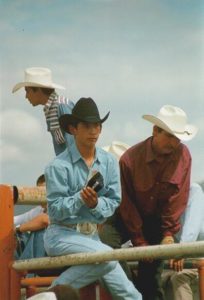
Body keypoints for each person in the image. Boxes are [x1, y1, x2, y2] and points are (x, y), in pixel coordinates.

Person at [44, 97, 142, 300]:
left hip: (92, 238)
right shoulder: (56, 166)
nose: (93, 131)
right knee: (107, 258)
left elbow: (114, 201)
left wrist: (96, 203)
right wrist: (81, 199)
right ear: (73, 129)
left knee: (130, 293)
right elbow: (53, 210)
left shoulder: (109, 162)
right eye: (87, 126)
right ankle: (51, 294)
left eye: (97, 125)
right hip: (61, 235)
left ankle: (50, 295)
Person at [117, 105, 198, 300]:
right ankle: (130, 289)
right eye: (170, 136)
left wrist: (169, 233)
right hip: (126, 216)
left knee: (152, 276)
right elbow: (126, 203)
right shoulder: (129, 160)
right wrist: (138, 240)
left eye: (177, 138)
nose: (174, 142)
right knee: (104, 245)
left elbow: (178, 197)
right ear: (155, 131)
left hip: (157, 220)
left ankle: (140, 291)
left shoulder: (183, 154)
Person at [12, 67, 74, 155]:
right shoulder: (50, 109)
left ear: (38, 90)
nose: (26, 96)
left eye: (27, 91)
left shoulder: (62, 105)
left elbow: (75, 142)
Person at [162, 182, 204, 300]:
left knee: (179, 277)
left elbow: (192, 228)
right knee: (152, 278)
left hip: (196, 254)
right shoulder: (163, 196)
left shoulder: (193, 191)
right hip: (178, 255)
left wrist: (181, 251)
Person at [14, 174, 49, 260]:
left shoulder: (60, 206)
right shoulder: (39, 210)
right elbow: (16, 219)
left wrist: (18, 229)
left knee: (39, 230)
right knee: (13, 236)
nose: (41, 195)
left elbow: (45, 220)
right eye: (39, 191)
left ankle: (22, 267)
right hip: (45, 252)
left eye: (44, 191)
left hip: (56, 251)